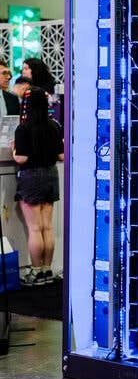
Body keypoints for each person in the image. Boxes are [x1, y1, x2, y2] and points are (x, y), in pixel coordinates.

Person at [10, 86, 64, 286]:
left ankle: (35, 271)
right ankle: (47, 269)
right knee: (46, 227)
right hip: (51, 175)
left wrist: (14, 150)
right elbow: (62, 156)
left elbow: (22, 158)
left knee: (34, 229)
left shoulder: (23, 129)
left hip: (31, 177)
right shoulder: (54, 126)